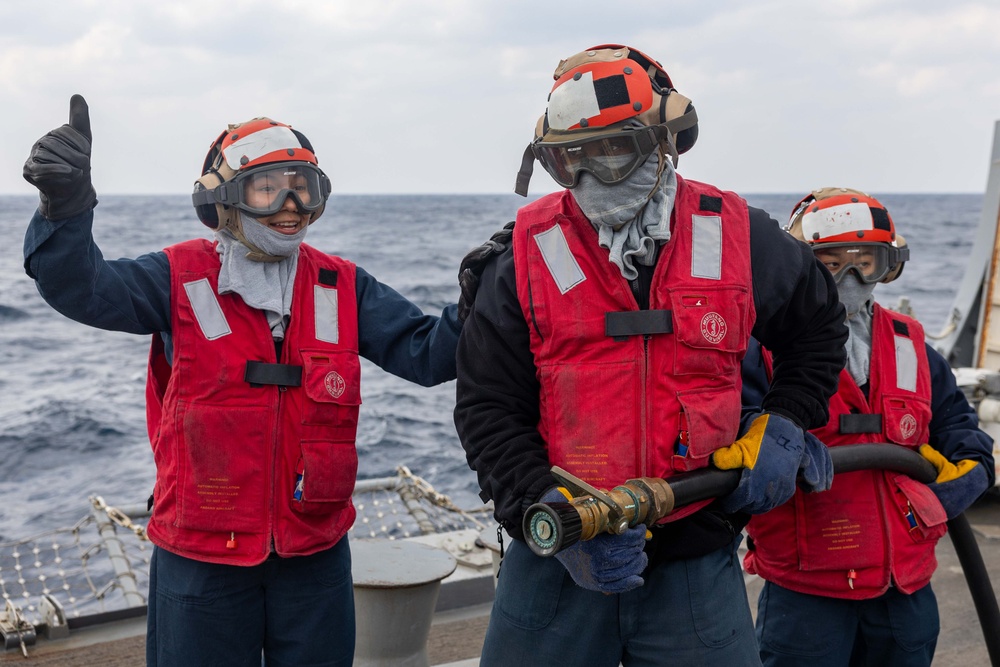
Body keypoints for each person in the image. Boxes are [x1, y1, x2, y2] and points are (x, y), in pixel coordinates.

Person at [21, 95, 461, 667]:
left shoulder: (343, 285)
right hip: (202, 557)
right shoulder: (176, 277)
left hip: (315, 554)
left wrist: (481, 299)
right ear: (223, 199)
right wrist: (65, 204)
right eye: (267, 188)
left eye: (303, 187)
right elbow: (80, 286)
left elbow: (426, 355)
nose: (290, 206)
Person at [453, 44, 849, 666]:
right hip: (559, 554)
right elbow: (486, 408)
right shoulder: (522, 261)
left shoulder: (740, 237)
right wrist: (543, 507)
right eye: (571, 158)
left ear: (665, 140)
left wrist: (787, 420)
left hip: (694, 558)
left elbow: (819, 329)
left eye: (615, 149)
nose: (593, 176)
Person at [741, 188, 995, 666]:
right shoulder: (762, 348)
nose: (852, 278)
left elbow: (958, 426)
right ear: (801, 264)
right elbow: (730, 436)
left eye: (866, 262)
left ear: (889, 265)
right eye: (832, 264)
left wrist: (971, 468)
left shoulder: (913, 344)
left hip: (905, 588)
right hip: (806, 592)